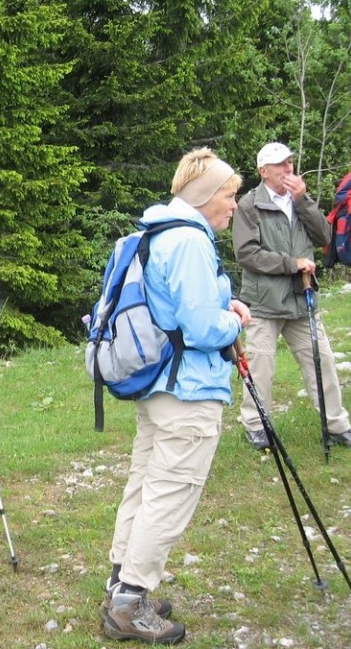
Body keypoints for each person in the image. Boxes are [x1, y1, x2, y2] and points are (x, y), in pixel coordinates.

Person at [101, 148, 250, 645]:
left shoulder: (156, 231)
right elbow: (204, 327)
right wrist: (235, 318)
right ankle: (129, 603)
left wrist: (215, 305)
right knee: (170, 493)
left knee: (145, 485)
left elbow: (179, 306)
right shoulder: (189, 241)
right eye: (230, 195)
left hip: (158, 385)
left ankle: (121, 583)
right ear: (207, 196)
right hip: (187, 389)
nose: (235, 204)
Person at [232, 142, 351, 450]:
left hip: (301, 296)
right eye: (280, 164)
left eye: (290, 163)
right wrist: (291, 264)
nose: (288, 169)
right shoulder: (249, 204)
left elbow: (325, 237)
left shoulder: (299, 200)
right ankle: (257, 426)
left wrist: (304, 200)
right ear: (263, 171)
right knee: (261, 365)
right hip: (264, 302)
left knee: (321, 360)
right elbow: (247, 254)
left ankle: (337, 425)